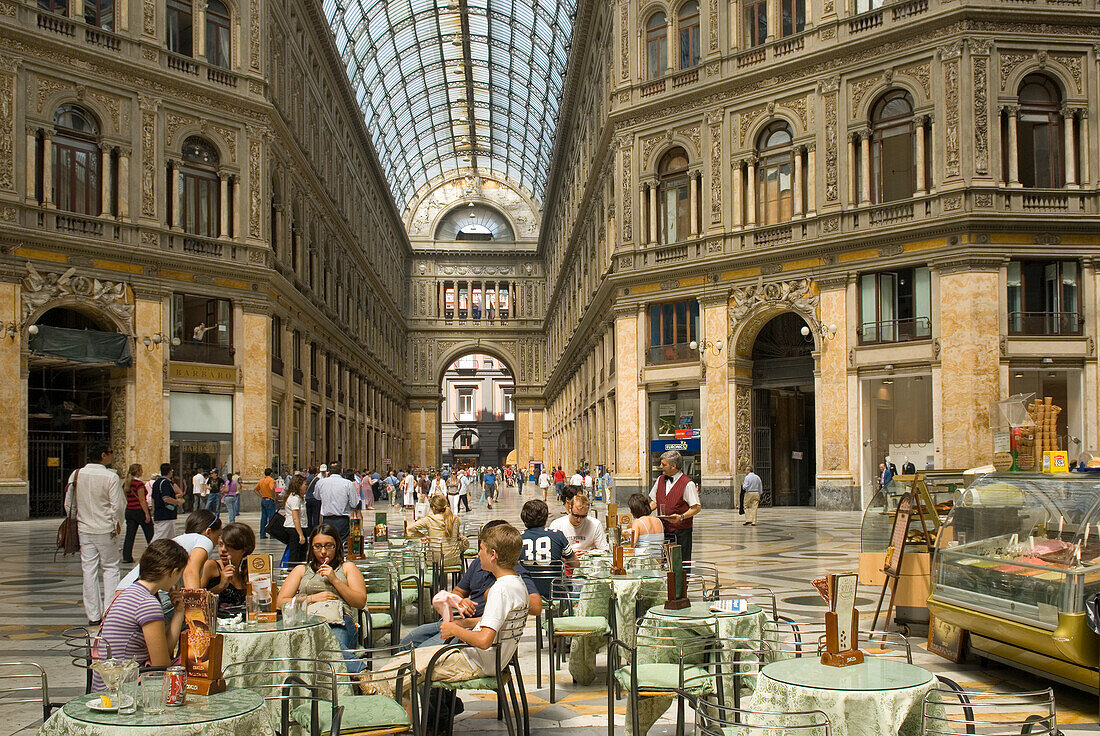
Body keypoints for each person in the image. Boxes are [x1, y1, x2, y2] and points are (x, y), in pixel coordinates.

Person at [400, 520, 542, 651]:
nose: (478, 554)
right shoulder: (483, 569)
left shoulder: (506, 585)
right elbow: (458, 591)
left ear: (493, 554)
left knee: (420, 654)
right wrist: (461, 602)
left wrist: (460, 626)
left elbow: (485, 637)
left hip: (473, 634)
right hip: (463, 624)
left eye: (481, 548)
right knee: (409, 642)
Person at [93, 539, 189, 690]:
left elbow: (161, 653)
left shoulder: (129, 592)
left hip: (105, 685)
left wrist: (179, 611)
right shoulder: (147, 603)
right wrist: (179, 614)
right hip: (122, 690)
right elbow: (161, 665)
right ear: (173, 572)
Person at [277, 524, 367, 672]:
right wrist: (312, 599)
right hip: (306, 621)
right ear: (311, 548)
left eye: (328, 546)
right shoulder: (301, 570)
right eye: (317, 547)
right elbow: (280, 602)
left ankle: (361, 674)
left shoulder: (347, 568)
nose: (323, 551)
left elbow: (360, 601)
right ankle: (363, 673)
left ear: (337, 546)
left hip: (339, 621)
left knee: (329, 644)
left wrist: (334, 580)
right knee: (311, 645)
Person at [64, 443, 125, 626]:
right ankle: (109, 611)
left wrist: (77, 518)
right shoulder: (110, 476)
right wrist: (117, 522)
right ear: (103, 455)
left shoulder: (76, 474)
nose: (112, 456)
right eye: (111, 453)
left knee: (88, 570)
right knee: (110, 568)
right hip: (105, 528)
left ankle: (93, 614)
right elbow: (117, 505)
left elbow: (69, 504)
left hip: (84, 529)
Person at [119, 509, 223, 591]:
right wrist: (196, 610)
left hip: (125, 589)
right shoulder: (204, 540)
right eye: (218, 536)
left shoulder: (183, 540)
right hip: (140, 593)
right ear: (208, 532)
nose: (217, 542)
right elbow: (190, 572)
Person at [649, 450, 702, 560]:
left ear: (673, 466)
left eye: (663, 464)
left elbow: (696, 507)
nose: (660, 466)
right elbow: (655, 502)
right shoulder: (660, 480)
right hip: (663, 530)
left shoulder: (688, 483)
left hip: (681, 532)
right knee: (665, 562)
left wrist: (681, 517)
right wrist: (643, 513)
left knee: (680, 563)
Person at [519, 499, 576, 597]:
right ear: (545, 517)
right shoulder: (557, 535)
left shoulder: (518, 538)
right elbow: (575, 563)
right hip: (555, 591)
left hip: (527, 592)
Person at [201, 521, 255, 615]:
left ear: (244, 549)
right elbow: (196, 600)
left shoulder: (245, 572)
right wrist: (220, 586)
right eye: (220, 544)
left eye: (229, 545)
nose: (223, 550)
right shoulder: (211, 567)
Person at [408, 494, 468, 570]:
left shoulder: (429, 520)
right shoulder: (455, 518)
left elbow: (409, 529)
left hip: (435, 560)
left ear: (433, 508)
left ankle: (436, 580)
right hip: (453, 558)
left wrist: (423, 536)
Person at [314, 462, 360, 542]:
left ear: (329, 471)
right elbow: (354, 503)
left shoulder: (320, 483)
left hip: (327, 519)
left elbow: (317, 497)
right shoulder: (348, 483)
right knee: (342, 544)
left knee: (328, 543)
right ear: (341, 471)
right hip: (342, 520)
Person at [121, 463, 153, 564]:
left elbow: (126, 498)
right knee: (150, 534)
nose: (142, 471)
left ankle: (127, 556)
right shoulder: (139, 484)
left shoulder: (126, 483)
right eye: (141, 470)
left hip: (129, 510)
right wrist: (147, 514)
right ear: (138, 471)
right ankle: (154, 554)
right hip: (139, 510)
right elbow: (142, 500)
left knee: (129, 535)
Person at [151, 463, 184, 541]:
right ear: (170, 472)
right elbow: (166, 498)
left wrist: (153, 511)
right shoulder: (165, 483)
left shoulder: (156, 482)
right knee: (160, 536)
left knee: (170, 537)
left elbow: (153, 498)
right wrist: (177, 502)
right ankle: (151, 551)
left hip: (162, 514)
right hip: (165, 514)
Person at [281, 474, 308, 562]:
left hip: (300, 528)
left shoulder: (300, 498)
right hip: (294, 529)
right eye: (304, 484)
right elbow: (295, 518)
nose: (306, 486)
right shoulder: (294, 498)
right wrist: (300, 534)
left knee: (301, 553)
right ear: (299, 485)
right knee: (295, 554)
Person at [254, 468, 278, 539]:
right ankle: (272, 534)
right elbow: (272, 488)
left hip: (263, 499)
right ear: (271, 473)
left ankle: (262, 534)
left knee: (263, 518)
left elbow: (255, 489)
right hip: (270, 500)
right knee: (271, 518)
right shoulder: (271, 480)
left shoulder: (261, 480)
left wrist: (261, 495)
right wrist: (274, 496)